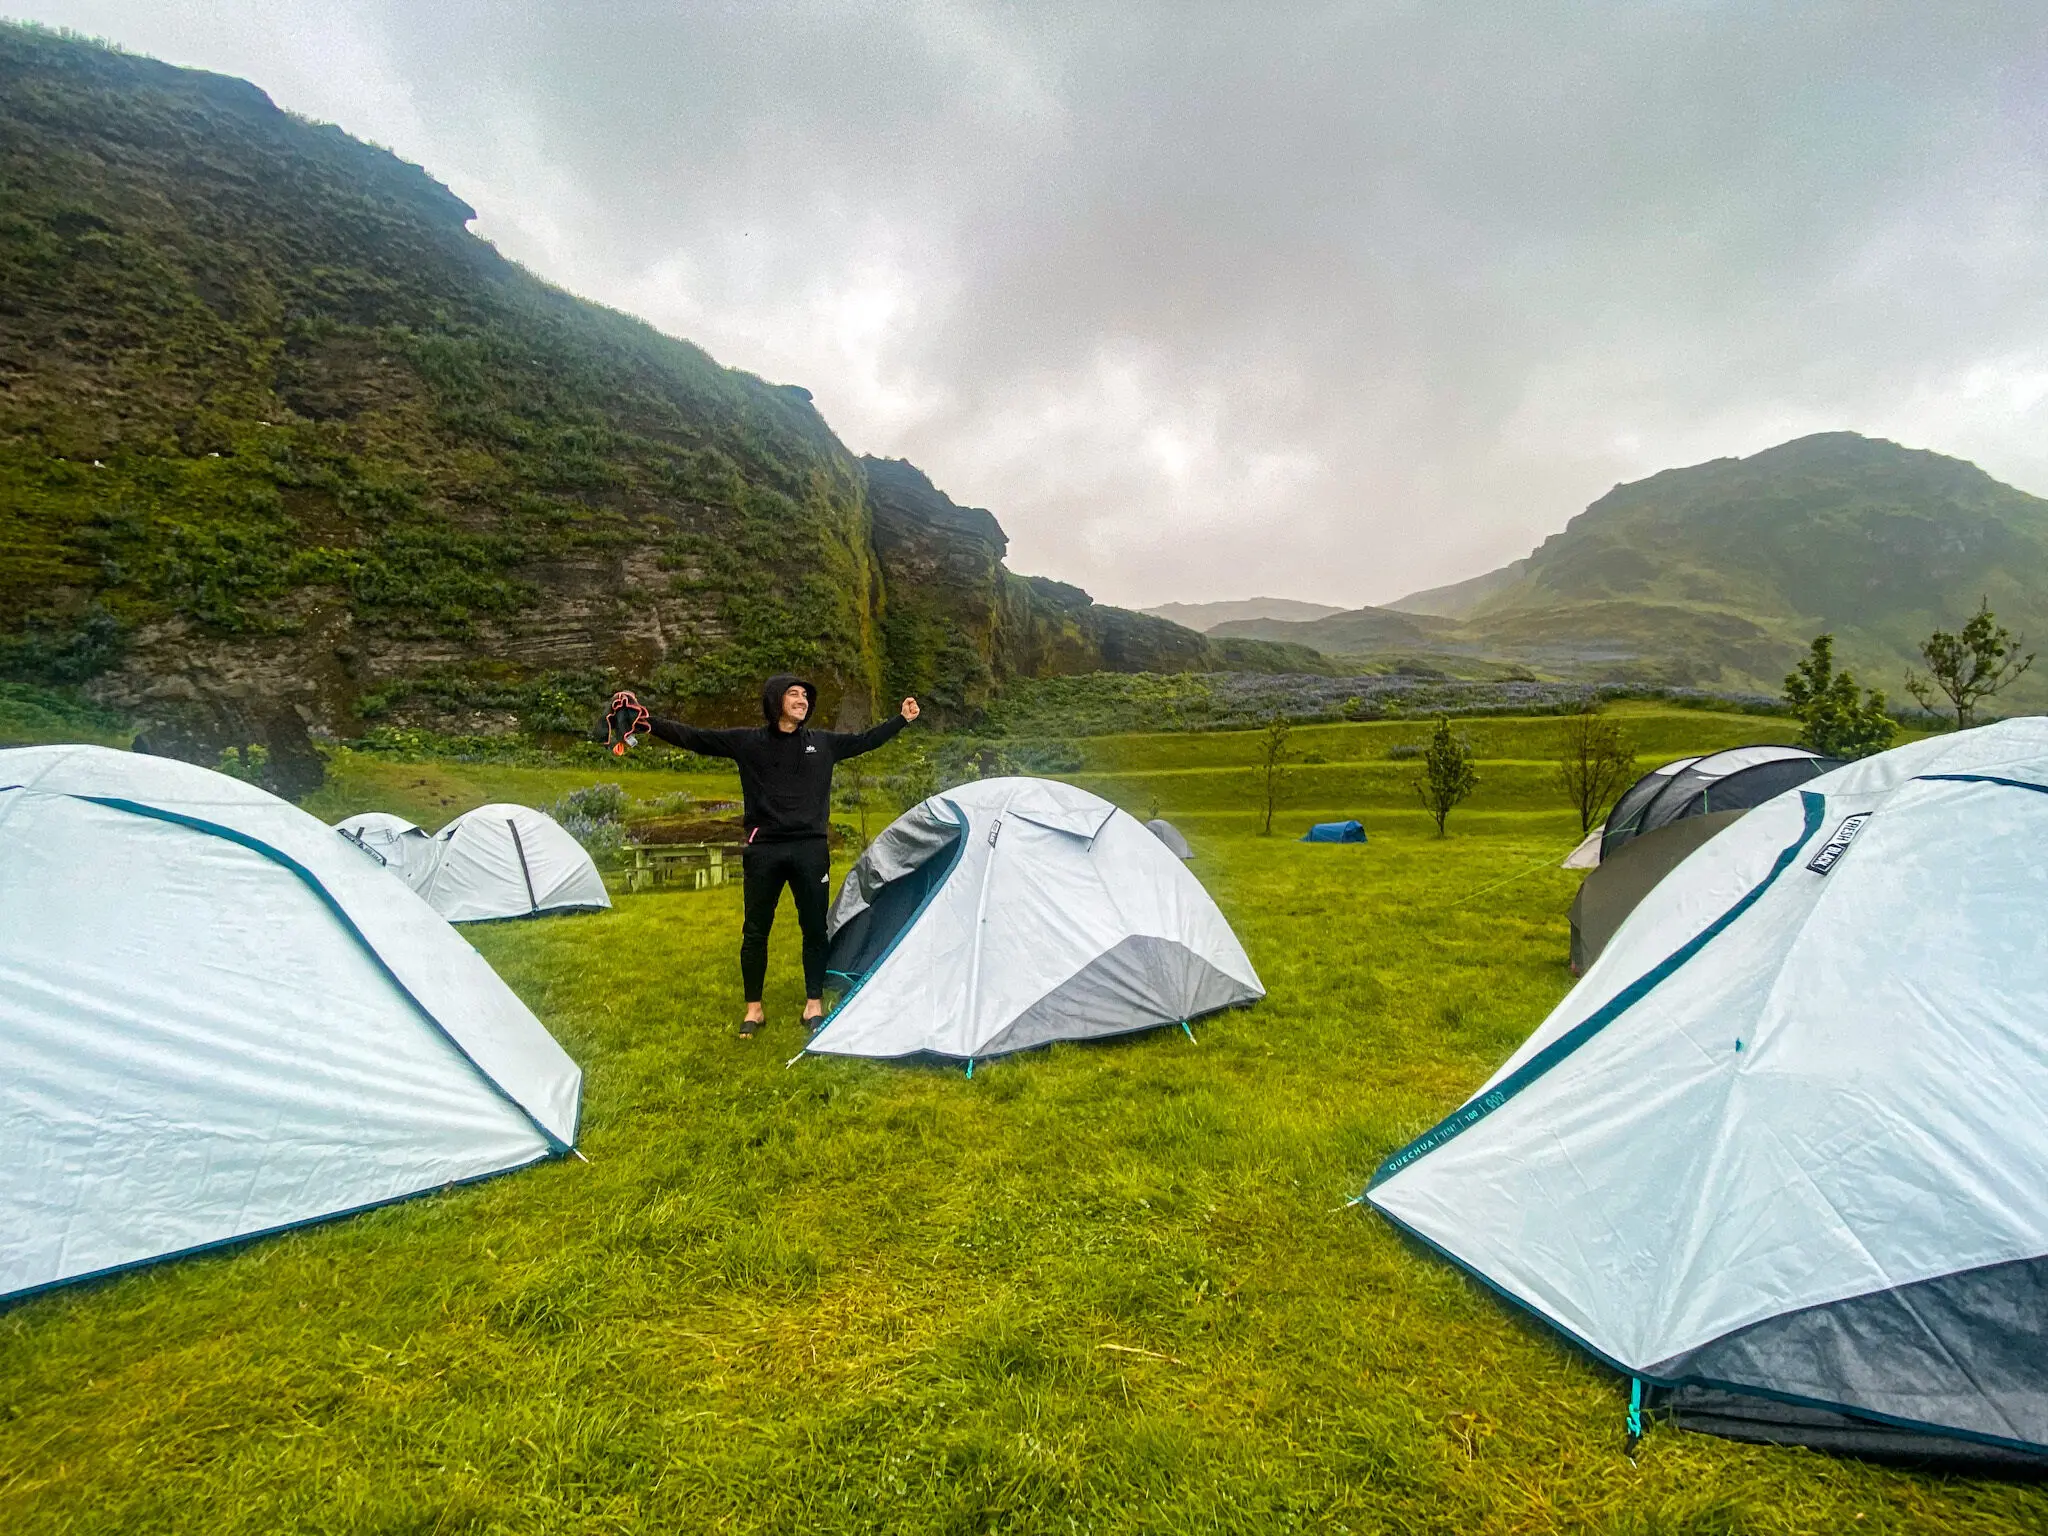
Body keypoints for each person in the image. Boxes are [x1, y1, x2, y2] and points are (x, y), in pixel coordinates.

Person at [608, 675, 920, 1037]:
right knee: (755, 931)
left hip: (810, 850)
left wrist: (902, 720)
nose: (802, 700)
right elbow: (696, 738)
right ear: (775, 700)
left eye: (806, 695)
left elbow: (866, 741)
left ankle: (813, 1004)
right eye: (794, 694)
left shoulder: (823, 744)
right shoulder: (748, 742)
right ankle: (753, 1009)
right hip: (764, 850)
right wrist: (648, 723)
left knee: (815, 929)